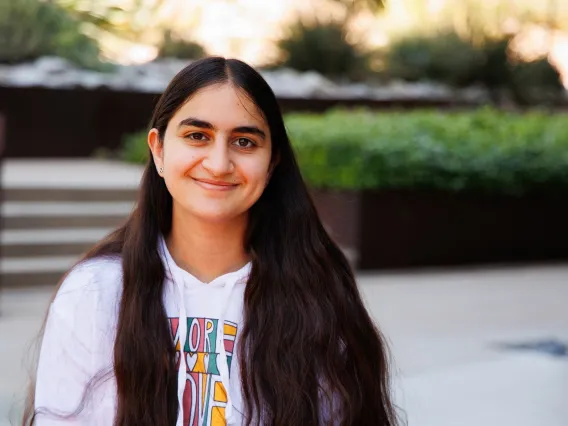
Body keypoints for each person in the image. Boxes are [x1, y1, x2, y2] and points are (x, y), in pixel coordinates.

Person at [23, 57, 398, 426]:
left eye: (245, 142)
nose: (219, 164)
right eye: (197, 136)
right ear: (158, 149)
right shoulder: (95, 292)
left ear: (272, 162)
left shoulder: (318, 296)